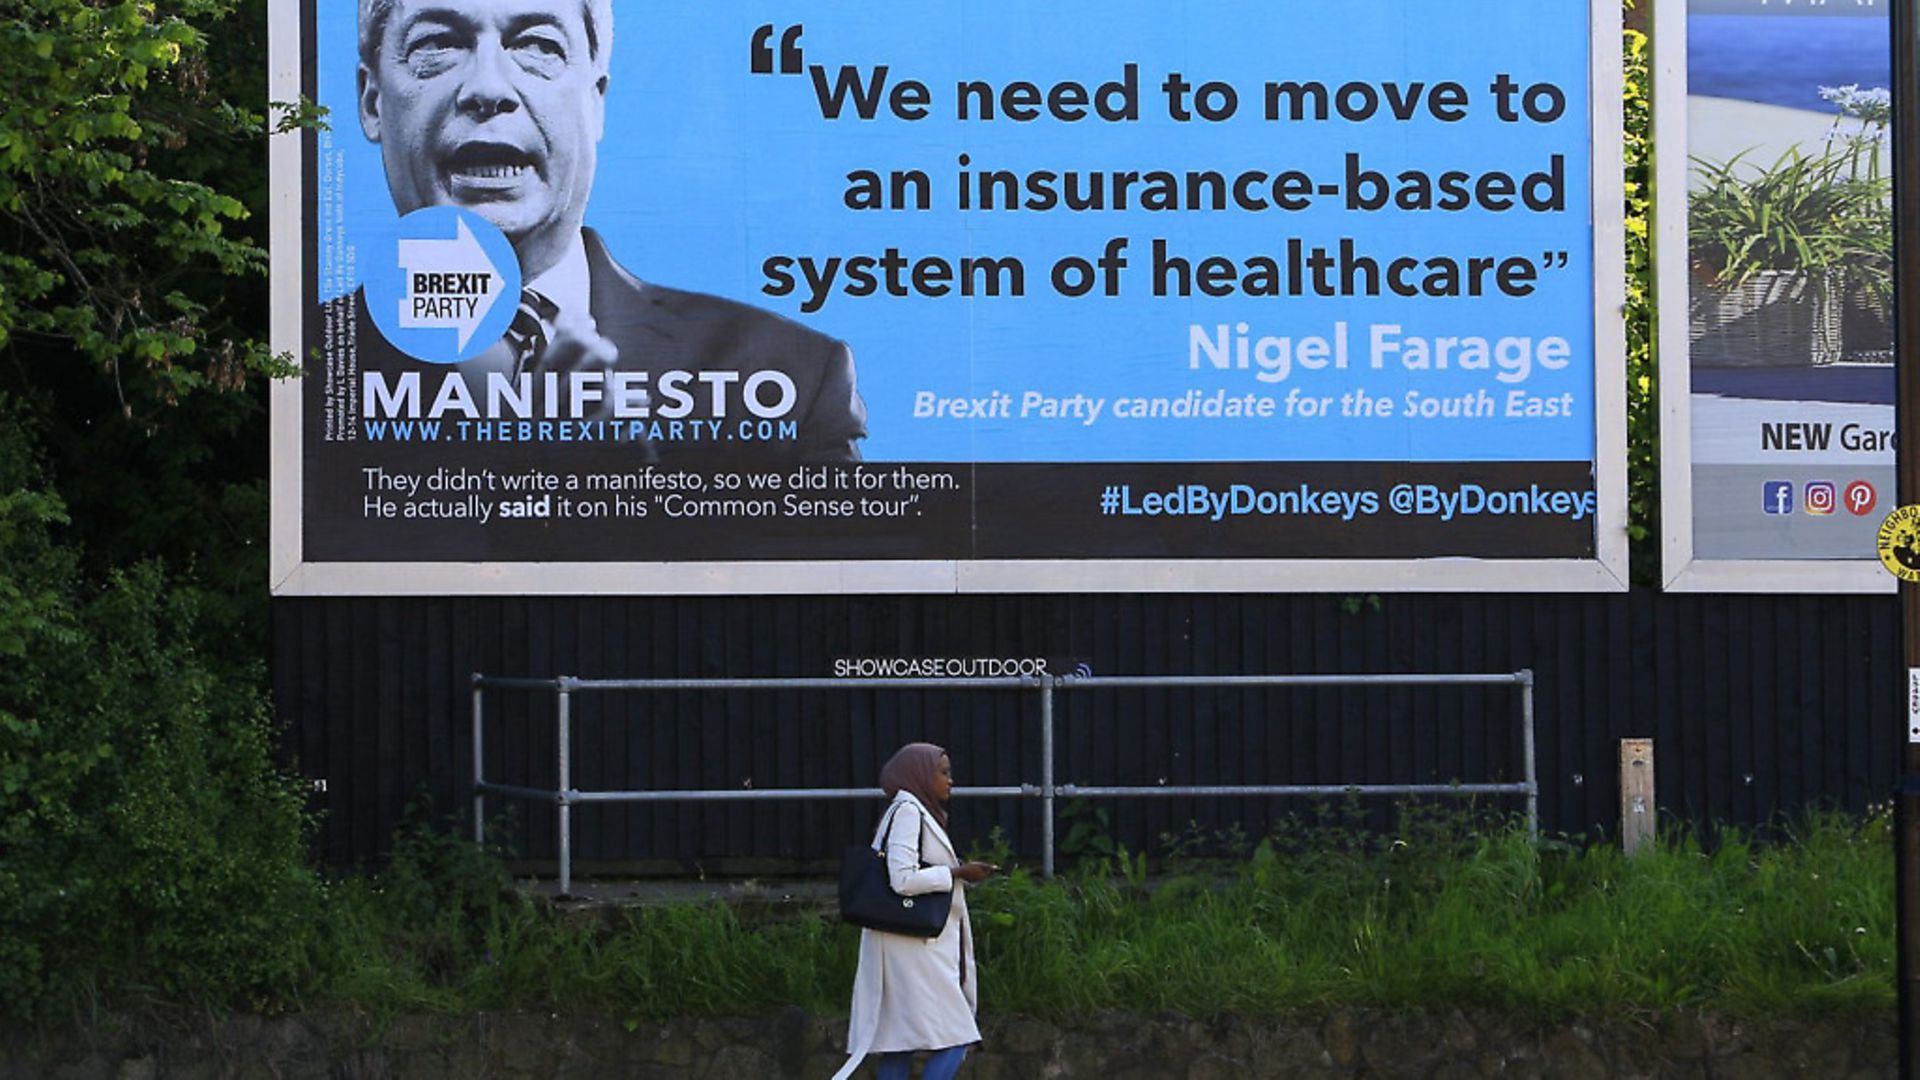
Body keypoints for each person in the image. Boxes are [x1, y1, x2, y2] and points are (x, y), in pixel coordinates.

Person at [338, 0, 868, 461]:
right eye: (438, 44)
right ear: (372, 101)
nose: (488, 88)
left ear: (596, 101)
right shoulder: (310, 377)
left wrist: (622, 483)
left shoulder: (792, 377)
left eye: (538, 46)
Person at [834, 743, 998, 1080]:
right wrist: (957, 873)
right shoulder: (909, 811)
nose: (951, 780)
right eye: (944, 772)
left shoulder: (911, 810)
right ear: (920, 774)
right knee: (957, 1035)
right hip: (915, 947)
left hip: (904, 944)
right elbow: (903, 879)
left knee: (900, 1042)